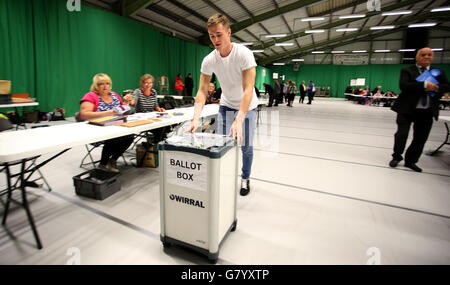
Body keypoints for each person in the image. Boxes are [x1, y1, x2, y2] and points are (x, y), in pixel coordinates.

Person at [189, 13, 258, 196]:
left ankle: (245, 178)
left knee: (246, 147)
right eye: (212, 36)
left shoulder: (244, 54)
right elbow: (202, 91)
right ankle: (224, 178)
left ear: (228, 32)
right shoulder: (209, 60)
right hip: (226, 105)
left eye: (219, 34)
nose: (215, 39)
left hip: (248, 106)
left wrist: (239, 119)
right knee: (222, 144)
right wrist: (195, 119)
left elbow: (248, 89)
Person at [389, 47, 449, 172]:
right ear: (417, 57)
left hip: (426, 111)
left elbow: (447, 86)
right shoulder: (407, 70)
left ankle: (411, 160)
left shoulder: (438, 72)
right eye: (423, 55)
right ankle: (397, 156)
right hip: (407, 109)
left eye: (429, 55)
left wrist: (436, 87)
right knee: (401, 134)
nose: (426, 57)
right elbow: (404, 86)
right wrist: (425, 85)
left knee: (421, 138)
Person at [79, 73, 134, 172]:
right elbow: (84, 114)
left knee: (130, 136)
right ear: (96, 85)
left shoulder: (115, 95)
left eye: (107, 83)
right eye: (101, 84)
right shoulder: (91, 96)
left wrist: (127, 105)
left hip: (117, 126)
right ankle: (103, 164)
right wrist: (109, 112)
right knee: (113, 137)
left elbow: (122, 110)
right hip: (97, 129)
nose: (105, 86)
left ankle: (113, 160)